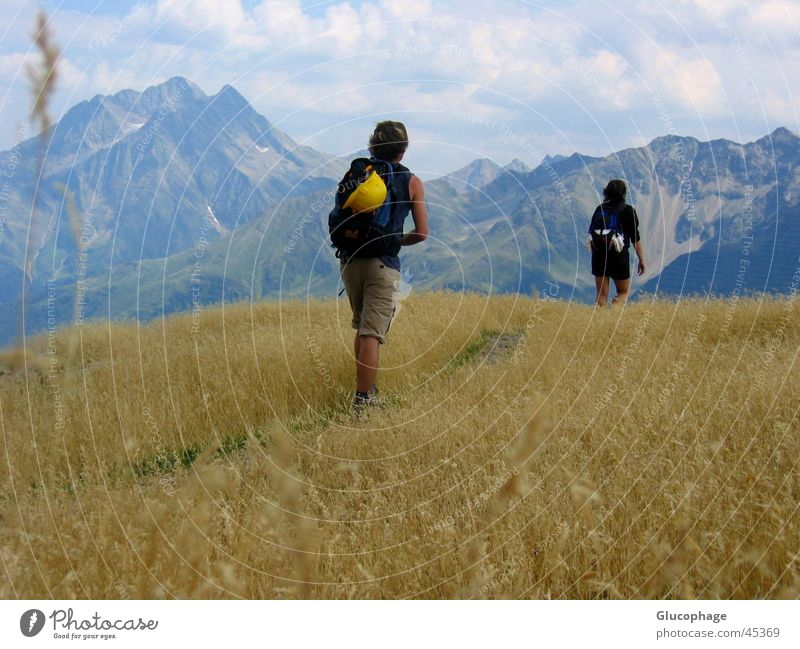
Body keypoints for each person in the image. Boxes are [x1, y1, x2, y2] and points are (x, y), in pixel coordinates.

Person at [339, 121, 429, 411]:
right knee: (371, 333)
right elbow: (422, 232)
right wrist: (394, 240)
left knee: (361, 327)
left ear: (372, 146)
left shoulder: (357, 174)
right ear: (402, 152)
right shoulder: (411, 182)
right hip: (383, 265)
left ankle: (365, 387)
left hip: (350, 259)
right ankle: (363, 402)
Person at [589, 179, 645, 305]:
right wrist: (641, 260)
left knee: (601, 296)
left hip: (599, 255)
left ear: (607, 193)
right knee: (623, 293)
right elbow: (635, 239)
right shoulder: (629, 210)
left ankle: (600, 322)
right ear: (623, 194)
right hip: (619, 256)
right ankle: (614, 318)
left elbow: (592, 233)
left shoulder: (600, 209)